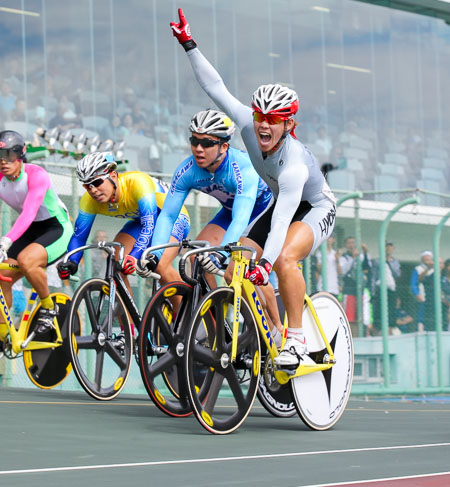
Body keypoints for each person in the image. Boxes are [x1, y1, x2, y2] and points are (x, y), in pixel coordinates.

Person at [171, 9, 337, 367]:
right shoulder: (247, 122)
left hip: (315, 208)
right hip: (281, 204)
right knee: (234, 267)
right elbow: (214, 86)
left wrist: (265, 263)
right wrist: (188, 44)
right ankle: (263, 335)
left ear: (288, 124)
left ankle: (294, 340)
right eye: (260, 116)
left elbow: (280, 225)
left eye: (273, 120)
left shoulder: (293, 166)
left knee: (284, 259)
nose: (263, 125)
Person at [0, 130, 72, 358]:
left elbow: (29, 212)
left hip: (56, 227)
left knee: (28, 262)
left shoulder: (37, 175)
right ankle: (0, 339)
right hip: (30, 230)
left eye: (8, 155)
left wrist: (6, 241)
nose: (3, 161)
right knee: (2, 276)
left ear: (21, 155)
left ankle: (49, 308)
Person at [148, 109, 272, 276]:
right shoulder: (187, 170)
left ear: (224, 147)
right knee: (198, 258)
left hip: (263, 213)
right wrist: (154, 255)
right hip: (230, 214)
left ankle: (269, 303)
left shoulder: (242, 167)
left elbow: (241, 218)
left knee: (236, 271)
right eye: (194, 141)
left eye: (207, 143)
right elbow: (168, 216)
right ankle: (211, 302)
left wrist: (221, 254)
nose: (199, 149)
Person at [56, 152, 190, 293]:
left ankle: (181, 311)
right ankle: (128, 314)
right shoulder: (89, 200)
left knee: (160, 265)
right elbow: (79, 236)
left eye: (97, 182)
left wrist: (134, 256)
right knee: (115, 263)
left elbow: (150, 225)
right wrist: (71, 261)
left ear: (113, 176)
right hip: (140, 222)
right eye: (87, 186)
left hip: (173, 217)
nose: (93, 190)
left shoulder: (137, 183)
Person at [410, 250, 434, 332]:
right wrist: (417, 294)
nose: (427, 258)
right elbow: (413, 283)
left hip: (432, 297)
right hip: (422, 296)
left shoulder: (434, 269)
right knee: (421, 316)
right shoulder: (418, 269)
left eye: (429, 256)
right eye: (425, 257)